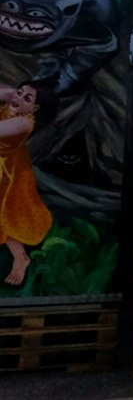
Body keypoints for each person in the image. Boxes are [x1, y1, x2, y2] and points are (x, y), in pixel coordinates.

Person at [0, 83, 52, 288]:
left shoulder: (24, 122)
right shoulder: (10, 105)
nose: (19, 98)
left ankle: (20, 258)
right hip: (7, 169)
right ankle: (20, 256)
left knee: (8, 216)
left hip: (8, 173)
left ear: (34, 109)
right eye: (20, 93)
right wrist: (15, 93)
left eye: (27, 99)